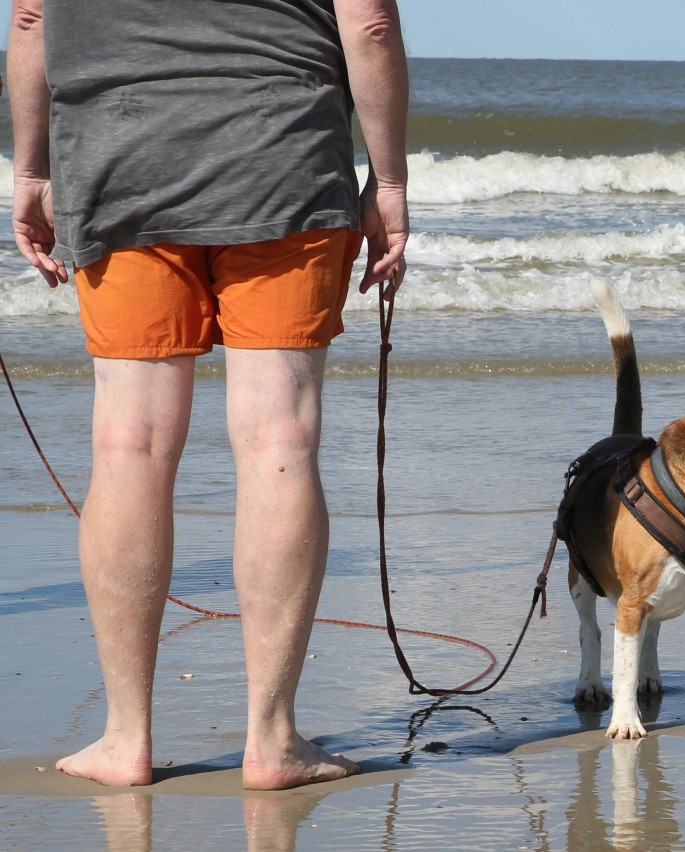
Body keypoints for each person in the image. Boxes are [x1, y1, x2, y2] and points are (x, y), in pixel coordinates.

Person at [7, 0, 410, 790]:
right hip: (282, 155)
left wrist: (30, 171)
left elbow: (30, 21)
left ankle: (127, 740)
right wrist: (387, 178)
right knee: (279, 440)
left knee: (130, 442)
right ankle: (273, 739)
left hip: (119, 158)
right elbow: (369, 25)